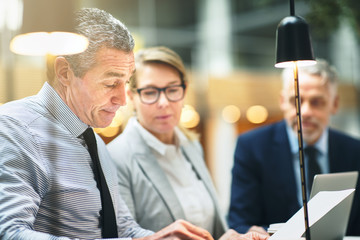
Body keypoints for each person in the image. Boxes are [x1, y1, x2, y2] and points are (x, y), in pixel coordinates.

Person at [0, 7, 268, 240]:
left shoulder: (93, 142)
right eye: (110, 83)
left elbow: (124, 228)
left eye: (126, 83)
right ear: (64, 73)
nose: (122, 99)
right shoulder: (14, 128)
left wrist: (166, 236)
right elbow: (8, 232)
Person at [107, 46, 266, 240]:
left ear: (185, 90)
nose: (164, 102)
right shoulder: (115, 157)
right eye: (150, 92)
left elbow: (211, 229)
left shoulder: (191, 146)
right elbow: (124, 235)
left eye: (172, 90)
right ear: (132, 97)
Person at [227, 59, 360, 236]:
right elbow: (239, 222)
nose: (304, 111)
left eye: (316, 102)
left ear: (334, 104)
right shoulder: (252, 147)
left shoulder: (354, 151)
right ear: (282, 101)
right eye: (296, 100)